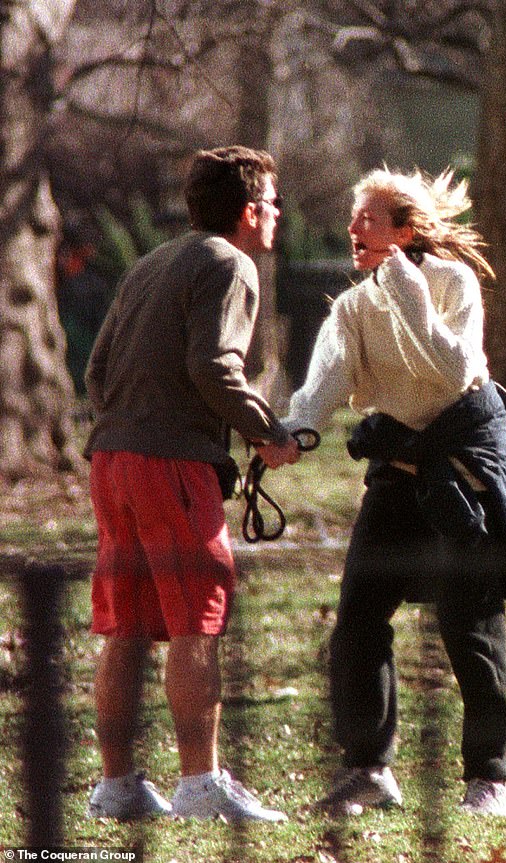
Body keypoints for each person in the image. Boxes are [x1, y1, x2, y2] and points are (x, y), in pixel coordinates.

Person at [282, 167, 506, 817]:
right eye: (353, 220)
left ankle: (491, 778)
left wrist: (402, 283)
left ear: (405, 229)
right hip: (396, 480)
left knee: (470, 629)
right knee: (357, 623)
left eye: (367, 219)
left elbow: (453, 369)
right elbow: (318, 393)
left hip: (464, 479)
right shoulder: (352, 306)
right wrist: (285, 439)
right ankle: (368, 768)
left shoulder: (451, 283)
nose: (352, 230)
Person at [84, 146, 299, 822]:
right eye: (271, 202)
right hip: (170, 465)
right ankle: (200, 785)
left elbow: (96, 372)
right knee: (196, 620)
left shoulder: (149, 263)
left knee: (127, 626)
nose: (278, 214)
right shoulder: (231, 263)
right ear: (246, 211)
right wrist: (270, 432)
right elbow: (214, 366)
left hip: (110, 458)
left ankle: (116, 787)